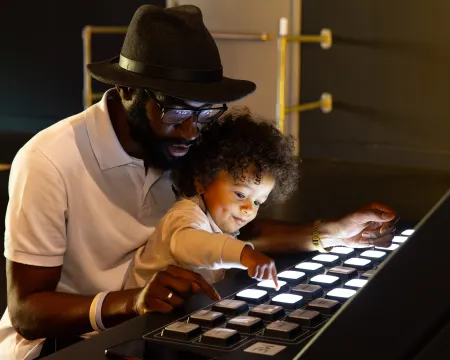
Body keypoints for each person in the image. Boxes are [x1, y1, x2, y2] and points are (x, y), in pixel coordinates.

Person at [0, 4, 398, 360]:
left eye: (208, 113)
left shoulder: (182, 143)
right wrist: (133, 301)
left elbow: (231, 229)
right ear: (126, 90)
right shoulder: (49, 160)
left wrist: (329, 234)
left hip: (151, 327)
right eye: (176, 110)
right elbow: (29, 312)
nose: (192, 131)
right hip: (66, 343)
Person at [125, 110, 299, 290]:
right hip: (141, 314)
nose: (248, 209)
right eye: (240, 195)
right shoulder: (185, 214)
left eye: (257, 202)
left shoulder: (217, 221)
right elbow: (188, 243)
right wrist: (243, 254)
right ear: (202, 181)